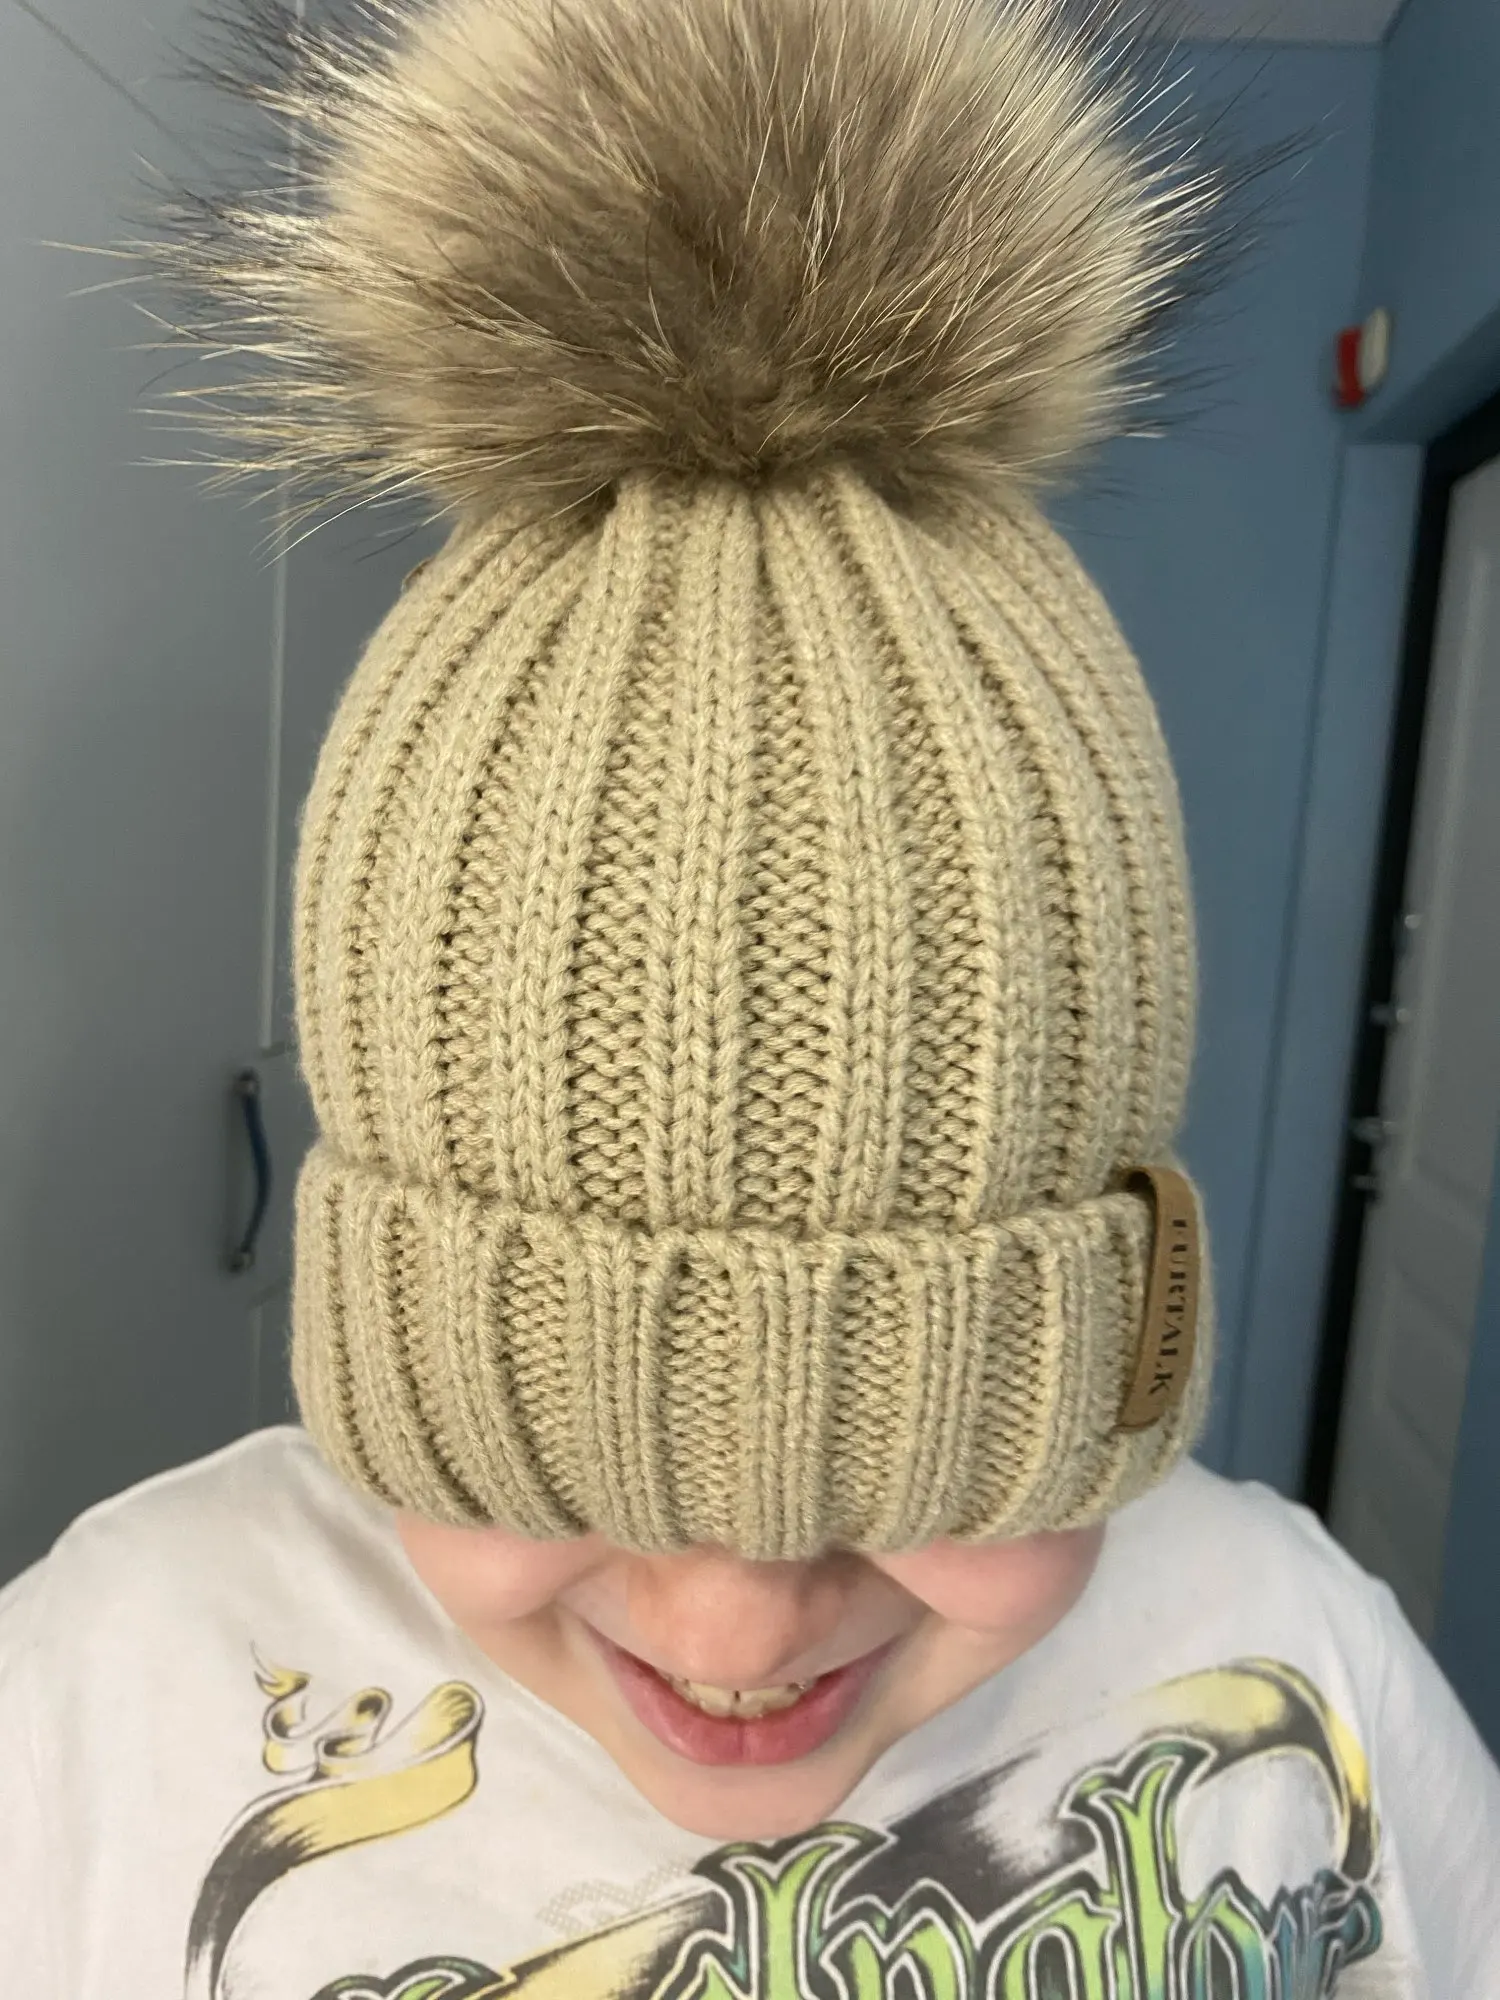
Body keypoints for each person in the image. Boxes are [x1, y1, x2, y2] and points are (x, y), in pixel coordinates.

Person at [3, 0, 1498, 1992]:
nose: (732, 1629)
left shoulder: (1304, 1664)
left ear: (1123, 1355)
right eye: (555, 1446)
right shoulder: (98, 1695)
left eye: (925, 1451)